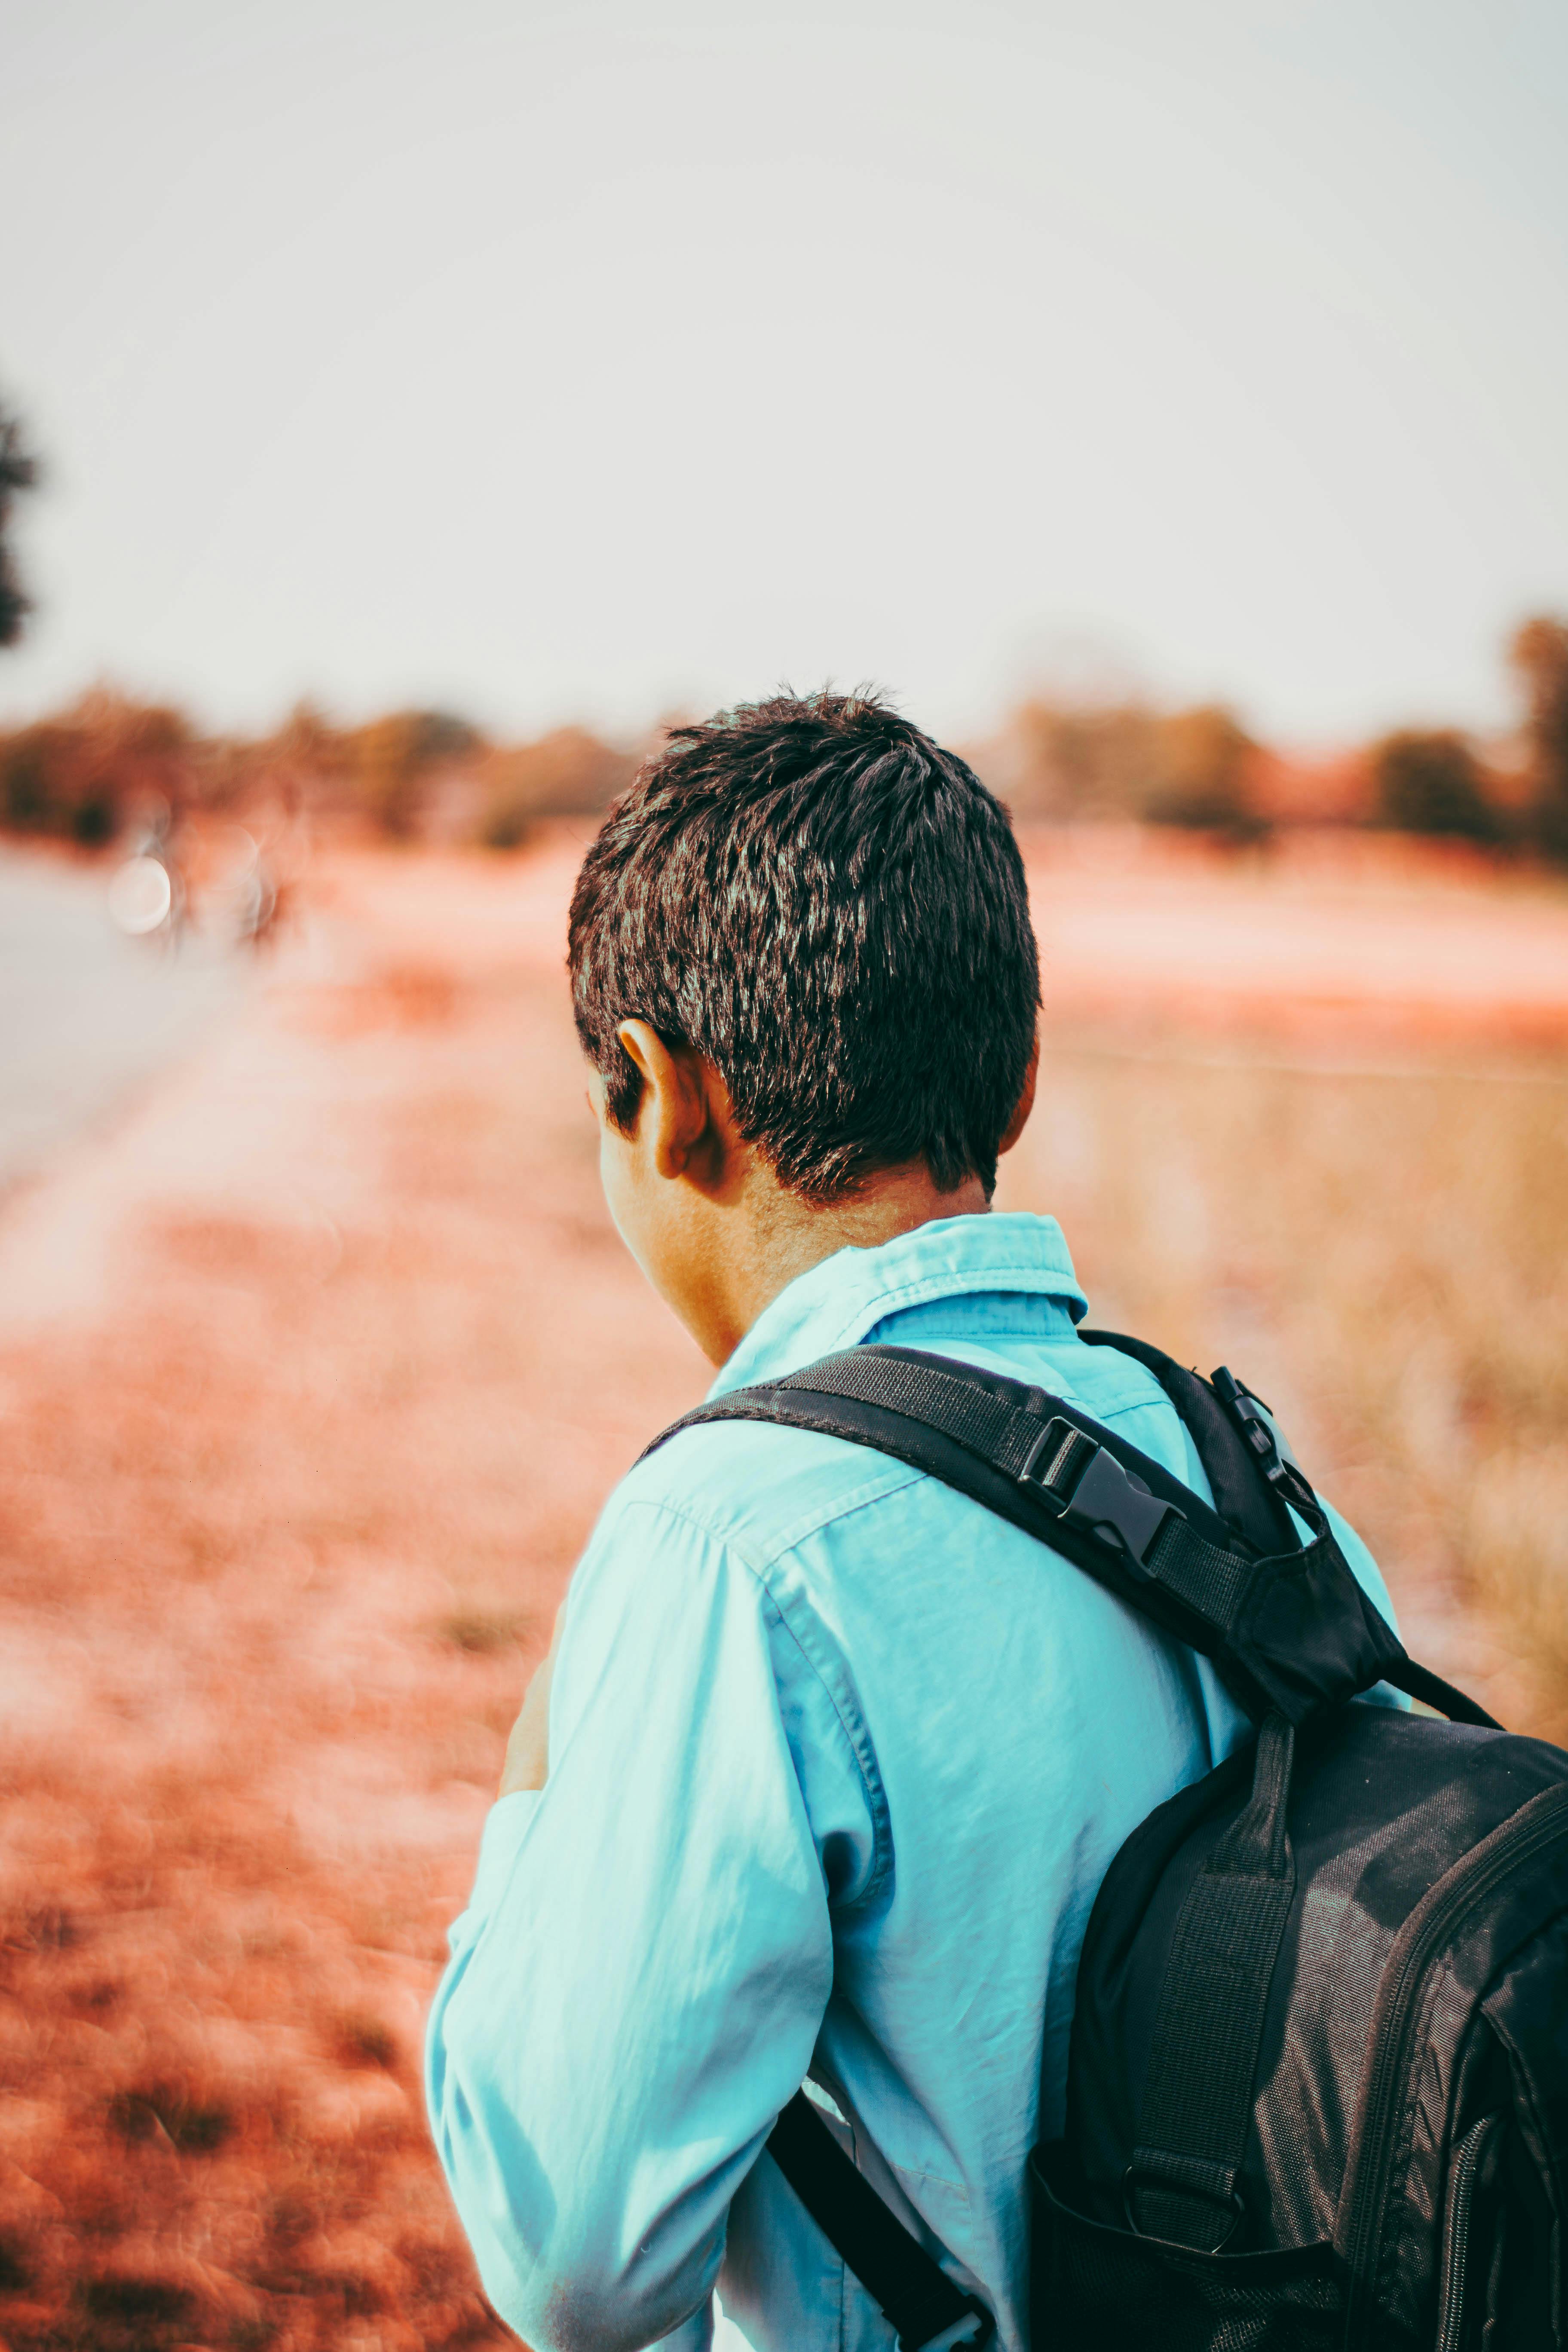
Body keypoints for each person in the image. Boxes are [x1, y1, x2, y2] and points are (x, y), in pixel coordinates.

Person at [425, 692, 1399, 2352]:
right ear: (1017, 1078)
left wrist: (533, 1794)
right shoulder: (1238, 1458)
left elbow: (573, 2262)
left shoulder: (730, 1542)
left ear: (664, 1101)